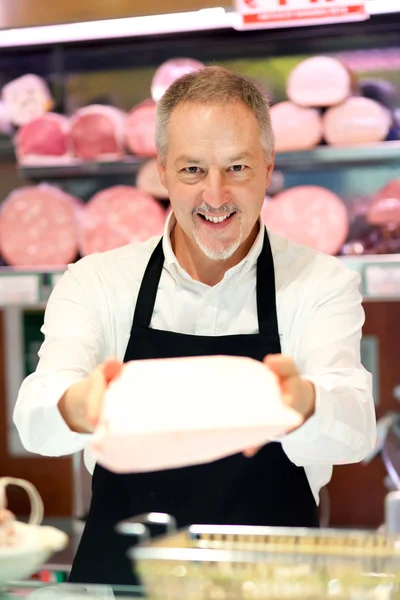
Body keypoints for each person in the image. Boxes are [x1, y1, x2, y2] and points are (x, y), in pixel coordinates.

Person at [14, 66, 376, 585]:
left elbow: (355, 429)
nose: (215, 195)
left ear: (269, 166)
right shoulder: (98, 282)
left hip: (272, 588)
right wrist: (76, 405)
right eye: (191, 171)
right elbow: (34, 418)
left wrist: (306, 405)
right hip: (123, 588)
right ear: (161, 171)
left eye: (237, 168)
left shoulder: (321, 284)